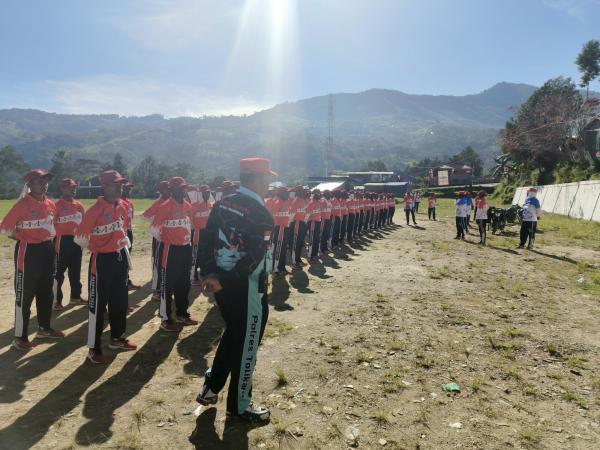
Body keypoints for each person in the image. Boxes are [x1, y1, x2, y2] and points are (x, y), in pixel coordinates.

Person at [196, 156, 276, 422]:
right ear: (260, 179)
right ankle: (240, 406)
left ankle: (212, 386)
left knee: (234, 334)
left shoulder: (220, 204)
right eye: (268, 179)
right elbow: (252, 260)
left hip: (220, 285)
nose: (269, 185)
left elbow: (205, 240)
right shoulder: (261, 214)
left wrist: (209, 273)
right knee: (248, 342)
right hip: (249, 289)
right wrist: (224, 278)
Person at [75, 170, 137, 364]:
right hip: (101, 261)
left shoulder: (122, 206)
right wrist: (98, 247)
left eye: (120, 184)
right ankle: (94, 348)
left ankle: (117, 338)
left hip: (120, 259)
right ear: (105, 186)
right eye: (115, 184)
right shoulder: (95, 210)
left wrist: (121, 244)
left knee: (120, 300)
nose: (119, 187)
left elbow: (123, 228)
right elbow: (80, 238)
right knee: (98, 305)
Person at [1, 169, 65, 350]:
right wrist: (21, 236)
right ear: (29, 185)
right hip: (27, 251)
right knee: (25, 294)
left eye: (45, 181)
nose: (44, 184)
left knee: (46, 292)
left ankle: (44, 327)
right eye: (39, 181)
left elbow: (52, 227)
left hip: (47, 250)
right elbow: (5, 227)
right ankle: (19, 337)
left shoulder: (51, 204)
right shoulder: (22, 204)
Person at [150, 176, 197, 331]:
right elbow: (154, 229)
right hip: (170, 250)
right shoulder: (165, 206)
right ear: (171, 190)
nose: (182, 190)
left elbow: (189, 225)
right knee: (167, 284)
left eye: (184, 188)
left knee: (184, 283)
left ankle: (182, 313)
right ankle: (166, 318)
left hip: (186, 248)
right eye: (179, 188)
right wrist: (168, 240)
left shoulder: (188, 205)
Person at [53, 178, 86, 310]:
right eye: (70, 187)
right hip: (62, 242)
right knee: (58, 273)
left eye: (74, 187)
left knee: (75, 271)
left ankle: (75, 297)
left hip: (76, 242)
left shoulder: (79, 205)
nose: (73, 189)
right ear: (63, 189)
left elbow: (84, 224)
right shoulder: (56, 205)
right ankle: (56, 301)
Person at [142, 180, 170, 300]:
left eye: (168, 188)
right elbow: (145, 216)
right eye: (164, 189)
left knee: (168, 263)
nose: (167, 191)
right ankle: (157, 290)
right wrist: (156, 223)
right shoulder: (158, 203)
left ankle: (164, 286)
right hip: (159, 238)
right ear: (160, 190)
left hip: (171, 238)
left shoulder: (173, 202)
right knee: (158, 263)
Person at [191, 184, 213, 284]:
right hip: (197, 233)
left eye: (208, 192)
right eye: (205, 193)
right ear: (200, 193)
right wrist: (194, 228)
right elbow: (189, 217)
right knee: (196, 254)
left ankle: (203, 274)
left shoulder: (209, 204)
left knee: (205, 254)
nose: (207, 194)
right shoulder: (195, 204)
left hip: (207, 233)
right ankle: (193, 276)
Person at [121, 181, 140, 290]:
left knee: (127, 258)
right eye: (126, 188)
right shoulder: (118, 202)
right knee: (122, 258)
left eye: (129, 188)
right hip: (121, 234)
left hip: (129, 232)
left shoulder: (130, 203)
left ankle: (126, 280)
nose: (128, 190)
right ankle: (123, 281)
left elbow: (130, 218)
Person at [289, 186, 309, 269]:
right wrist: (290, 224)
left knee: (300, 243)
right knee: (295, 243)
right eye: (303, 191)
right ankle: (294, 262)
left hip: (302, 223)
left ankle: (298, 259)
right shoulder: (296, 200)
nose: (305, 192)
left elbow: (305, 212)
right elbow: (291, 215)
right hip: (296, 223)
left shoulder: (303, 200)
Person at [306, 189, 322, 262]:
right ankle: (310, 256)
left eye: (319, 193)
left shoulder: (319, 202)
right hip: (312, 222)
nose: (318, 195)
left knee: (316, 239)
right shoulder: (311, 203)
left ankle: (315, 254)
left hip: (318, 222)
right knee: (312, 240)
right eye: (317, 193)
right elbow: (308, 214)